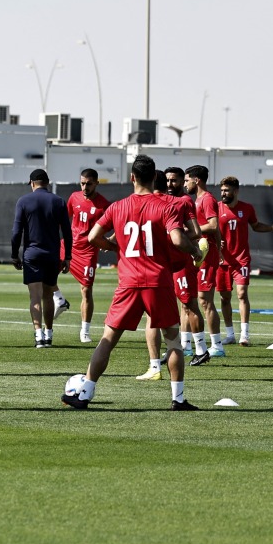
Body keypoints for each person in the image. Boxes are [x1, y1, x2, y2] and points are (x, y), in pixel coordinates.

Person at [62, 155, 202, 411]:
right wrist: (195, 251)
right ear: (154, 178)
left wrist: (115, 246)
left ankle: (84, 395)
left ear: (133, 178)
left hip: (128, 282)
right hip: (158, 281)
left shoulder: (117, 207)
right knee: (172, 340)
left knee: (107, 339)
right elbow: (178, 240)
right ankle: (178, 399)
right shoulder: (167, 205)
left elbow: (93, 236)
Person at [137, 167, 210, 380]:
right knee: (169, 309)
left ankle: (201, 349)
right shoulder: (162, 203)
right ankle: (180, 349)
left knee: (188, 303)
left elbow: (196, 231)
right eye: (167, 180)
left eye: (175, 181)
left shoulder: (184, 202)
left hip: (181, 262)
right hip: (165, 264)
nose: (170, 184)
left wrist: (175, 233)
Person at [216, 176, 273, 347]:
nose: (223, 193)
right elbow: (208, 229)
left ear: (236, 191)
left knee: (241, 294)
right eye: (222, 190)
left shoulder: (246, 208)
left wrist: (272, 228)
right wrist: (215, 240)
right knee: (224, 298)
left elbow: (256, 226)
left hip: (241, 259)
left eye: (227, 190)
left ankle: (244, 335)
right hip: (221, 260)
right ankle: (230, 334)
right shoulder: (216, 208)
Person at [10, 168, 72, 348]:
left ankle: (38, 336)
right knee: (48, 295)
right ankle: (49, 334)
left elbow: (16, 232)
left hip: (32, 255)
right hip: (52, 255)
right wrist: (67, 255)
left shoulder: (23, 201)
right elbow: (67, 233)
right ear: (47, 182)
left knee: (35, 297)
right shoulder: (59, 201)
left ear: (32, 183)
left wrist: (15, 255)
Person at [185, 164, 227, 357]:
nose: (185, 184)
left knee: (205, 300)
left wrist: (191, 231)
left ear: (197, 180)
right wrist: (220, 249)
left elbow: (213, 225)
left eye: (187, 180)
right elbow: (216, 230)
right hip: (202, 252)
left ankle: (217, 345)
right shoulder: (198, 200)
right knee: (192, 299)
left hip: (205, 253)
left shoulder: (207, 199)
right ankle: (188, 344)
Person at [66, 168, 111, 343]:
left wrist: (109, 241)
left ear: (96, 184)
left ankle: (84, 330)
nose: (85, 187)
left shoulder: (103, 205)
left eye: (89, 184)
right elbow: (66, 219)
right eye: (82, 183)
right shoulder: (74, 197)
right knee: (47, 269)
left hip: (88, 251)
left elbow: (115, 225)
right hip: (71, 246)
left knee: (86, 290)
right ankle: (58, 299)